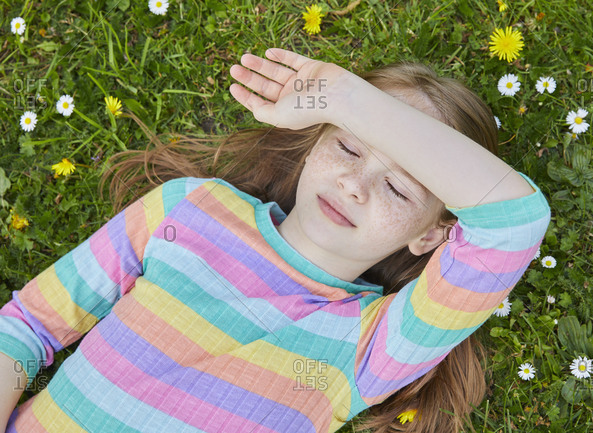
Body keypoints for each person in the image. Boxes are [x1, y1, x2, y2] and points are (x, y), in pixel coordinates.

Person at [0, 47, 551, 433]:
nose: (353, 185)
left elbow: (514, 223)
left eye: (399, 190)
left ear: (432, 233)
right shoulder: (190, 209)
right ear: (314, 143)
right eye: (349, 148)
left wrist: (345, 97)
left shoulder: (371, 346)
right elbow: (26, 326)